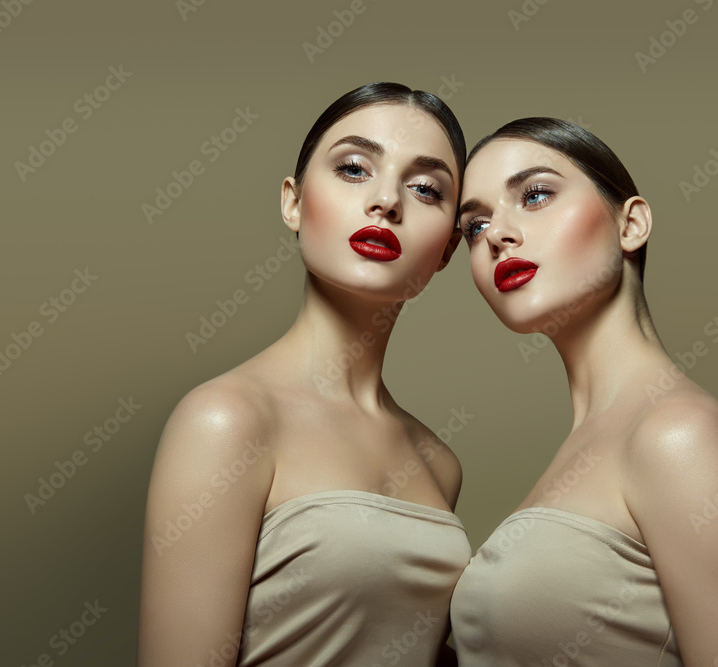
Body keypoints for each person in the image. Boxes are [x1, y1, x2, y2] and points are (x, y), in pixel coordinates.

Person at [138, 82, 470, 667]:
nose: (386, 200)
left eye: (425, 188)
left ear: (446, 250)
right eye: (353, 168)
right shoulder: (227, 420)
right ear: (293, 201)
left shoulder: (437, 463)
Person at [449, 118, 718, 666]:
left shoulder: (677, 434)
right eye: (474, 225)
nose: (496, 235)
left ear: (631, 223)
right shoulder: (585, 447)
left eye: (534, 195)